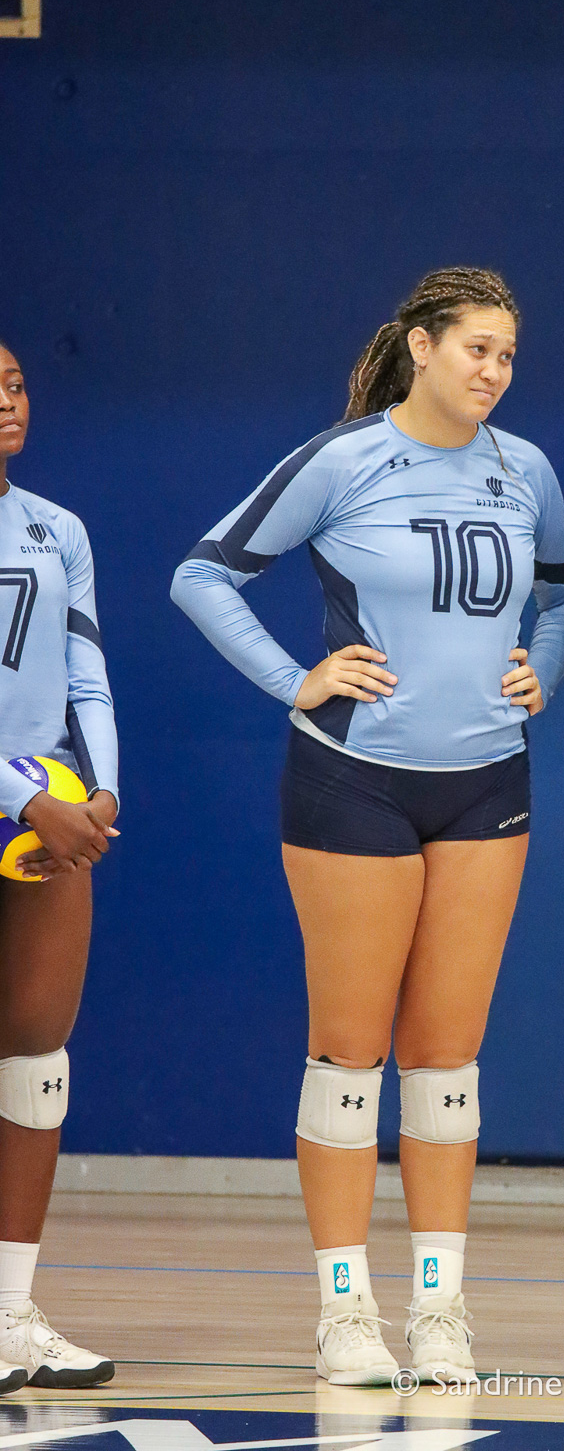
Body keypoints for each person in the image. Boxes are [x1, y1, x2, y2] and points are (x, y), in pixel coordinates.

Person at [172, 267, 564, 1387]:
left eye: (507, 354)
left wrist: (541, 670)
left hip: (487, 784)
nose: (492, 371)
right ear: (420, 344)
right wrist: (292, 677)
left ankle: (440, 1312)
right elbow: (203, 573)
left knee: (447, 1063)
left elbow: (561, 593)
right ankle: (344, 1312)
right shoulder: (343, 458)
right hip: (354, 783)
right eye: (475, 348)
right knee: (351, 1053)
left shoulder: (527, 470)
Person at [0, 343, 120, 1390]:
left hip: (50, 822)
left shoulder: (56, 527)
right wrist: (22, 795)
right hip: (23, 806)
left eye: (17, 382)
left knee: (36, 1058)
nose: (7, 399)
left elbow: (85, 664)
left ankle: (10, 1315)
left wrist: (100, 789)